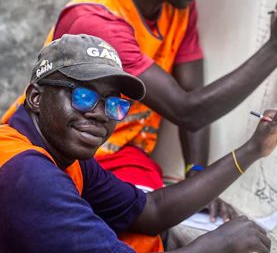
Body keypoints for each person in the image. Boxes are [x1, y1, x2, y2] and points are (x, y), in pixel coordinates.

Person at [3, 0, 277, 220]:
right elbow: (187, 110)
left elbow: (194, 101)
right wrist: (272, 50)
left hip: (122, 153)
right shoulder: (99, 17)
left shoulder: (179, 8)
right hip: (64, 147)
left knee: (156, 222)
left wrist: (196, 177)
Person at [1, 33, 276, 253]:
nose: (99, 113)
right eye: (83, 95)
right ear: (36, 98)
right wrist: (219, 245)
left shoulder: (66, 156)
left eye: (113, 103)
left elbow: (152, 210)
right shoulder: (25, 171)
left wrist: (253, 149)